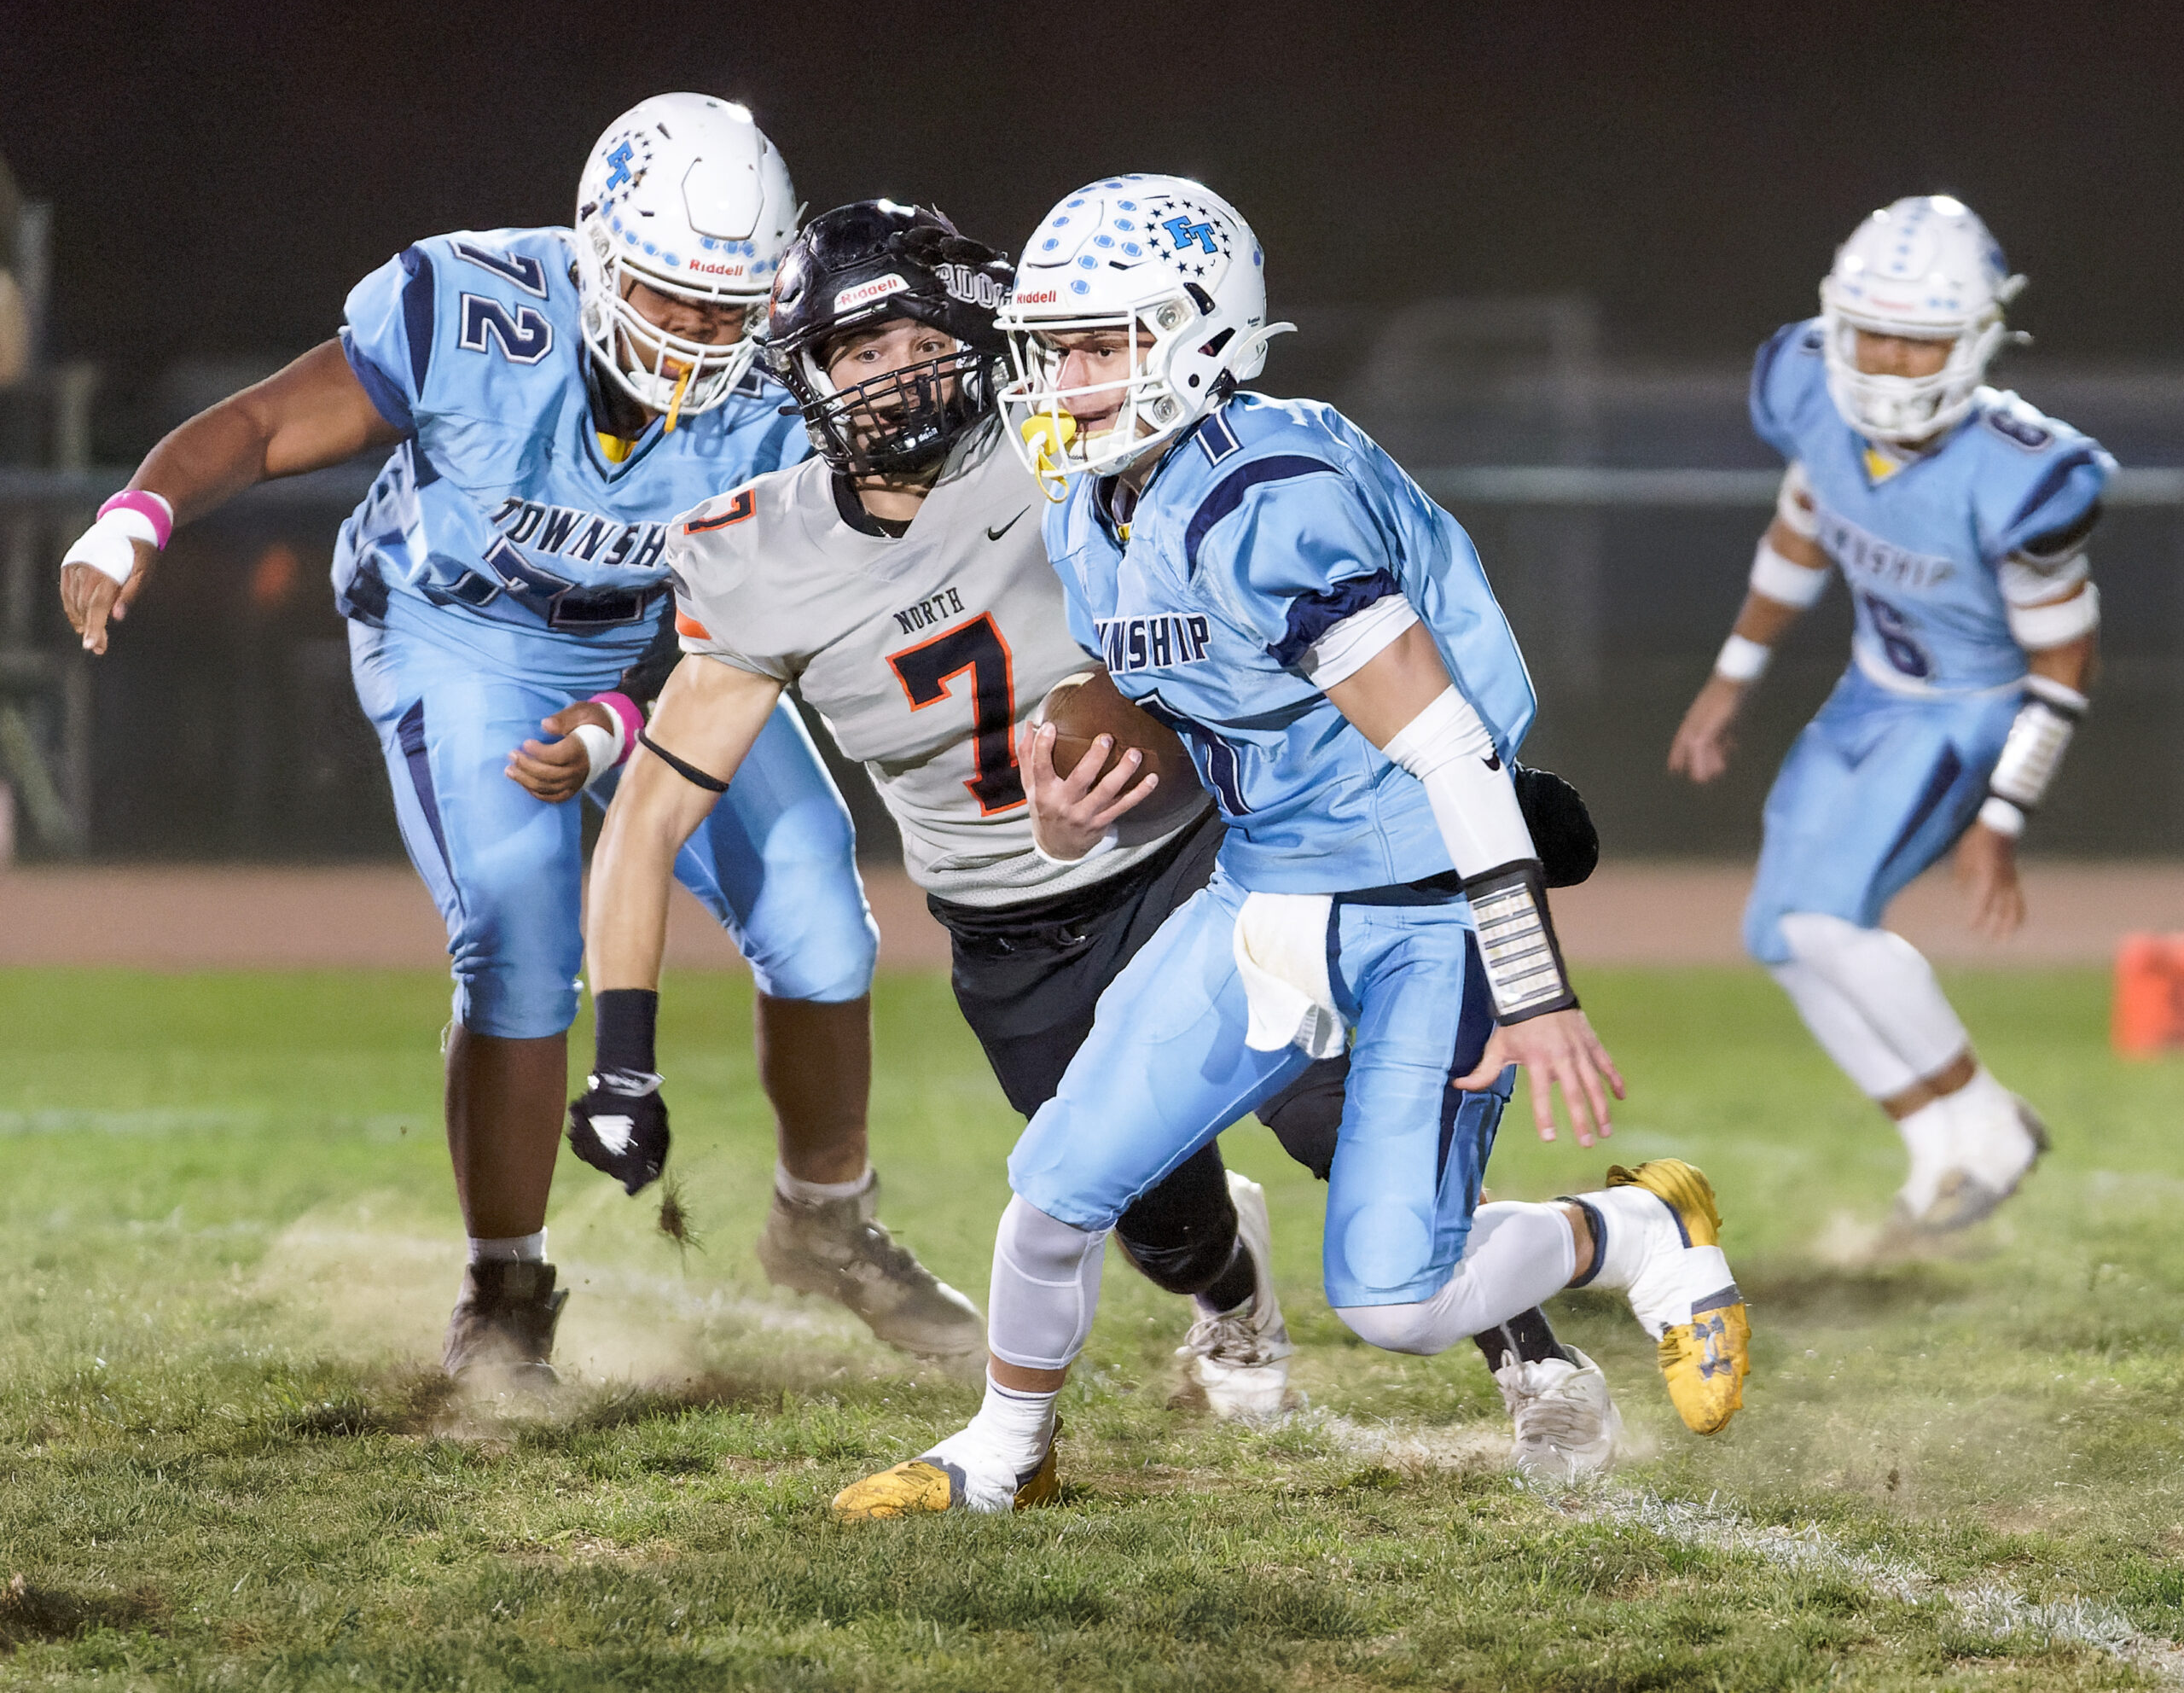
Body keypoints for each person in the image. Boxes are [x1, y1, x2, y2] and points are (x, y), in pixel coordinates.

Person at [574, 199, 1614, 1459]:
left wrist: (1455, 785)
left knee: (1355, 1118)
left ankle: (1534, 1356)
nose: (893, 376)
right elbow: (651, 816)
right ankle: (1231, 1308)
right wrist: (621, 1054)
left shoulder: (1085, 434)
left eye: (914, 339)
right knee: (1147, 1215)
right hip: (1015, 925)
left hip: (1201, 858)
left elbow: (1290, 609)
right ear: (802, 374)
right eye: (856, 354)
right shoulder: (762, 553)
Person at [831, 175, 1752, 1517]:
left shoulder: (1276, 490)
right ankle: (1004, 1451)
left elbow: (1449, 751)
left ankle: (1641, 1231)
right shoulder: (1098, 510)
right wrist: (1060, 797)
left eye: (1102, 344)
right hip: (1265, 891)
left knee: (1398, 1299)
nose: (1067, 378)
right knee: (1056, 1183)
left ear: (1199, 334)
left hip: (1427, 908)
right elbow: (1168, 700)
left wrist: (1538, 986)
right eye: (1055, 347)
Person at [55, 96, 979, 1384]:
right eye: (670, 298)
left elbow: (773, 603)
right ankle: (504, 1290)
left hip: (672, 646)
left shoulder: (787, 372)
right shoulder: (471, 309)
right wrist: (139, 514)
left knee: (821, 899)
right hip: (463, 635)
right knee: (520, 937)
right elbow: (268, 424)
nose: (703, 338)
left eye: (729, 307)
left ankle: (826, 1221)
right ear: (598, 256)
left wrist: (618, 721)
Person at [1669, 195, 2111, 1232]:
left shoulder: (2020, 472)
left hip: (1971, 711)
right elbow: (1803, 526)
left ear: (1974, 340)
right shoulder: (1807, 395)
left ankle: (1986, 1119)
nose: (1884, 363)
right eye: (1868, 333)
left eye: (1918, 344)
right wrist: (1734, 675)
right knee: (1777, 934)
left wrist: (2003, 817)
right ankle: (1937, 1150)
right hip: (1871, 691)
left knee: (1826, 920)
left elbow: (2066, 658)